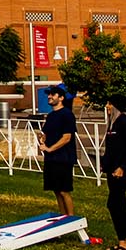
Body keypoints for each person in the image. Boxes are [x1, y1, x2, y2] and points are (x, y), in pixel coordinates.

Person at [100, 98, 126, 250]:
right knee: (114, 204)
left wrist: (122, 167)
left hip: (122, 171)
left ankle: (125, 242)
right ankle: (121, 240)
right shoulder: (111, 124)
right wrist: (105, 163)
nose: (107, 107)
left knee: (117, 204)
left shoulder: (123, 123)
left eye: (110, 104)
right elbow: (110, 148)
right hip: (111, 170)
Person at [37, 85, 77, 216]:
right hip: (52, 159)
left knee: (64, 191)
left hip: (63, 158)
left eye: (53, 94)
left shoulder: (67, 114)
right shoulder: (51, 116)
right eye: (49, 94)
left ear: (61, 98)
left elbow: (67, 137)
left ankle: (71, 219)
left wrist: (49, 149)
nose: (49, 97)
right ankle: (62, 218)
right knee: (56, 190)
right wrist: (42, 138)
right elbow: (47, 133)